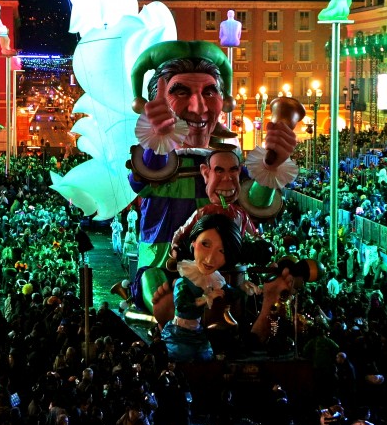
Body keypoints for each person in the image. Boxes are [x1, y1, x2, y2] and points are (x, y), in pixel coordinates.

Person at [127, 40, 298, 321]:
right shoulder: (156, 159)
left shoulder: (228, 159)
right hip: (163, 262)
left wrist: (272, 164)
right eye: (180, 92)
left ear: (224, 100)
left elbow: (253, 203)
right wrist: (158, 140)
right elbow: (145, 176)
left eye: (209, 91)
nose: (197, 107)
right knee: (153, 281)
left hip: (225, 264)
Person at [161, 212, 241, 362]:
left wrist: (244, 289)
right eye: (205, 244)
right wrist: (206, 298)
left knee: (205, 357)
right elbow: (183, 306)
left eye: (221, 251)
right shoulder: (185, 279)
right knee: (181, 357)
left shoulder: (214, 278)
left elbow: (228, 292)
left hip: (197, 331)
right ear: (193, 242)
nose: (210, 259)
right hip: (180, 333)